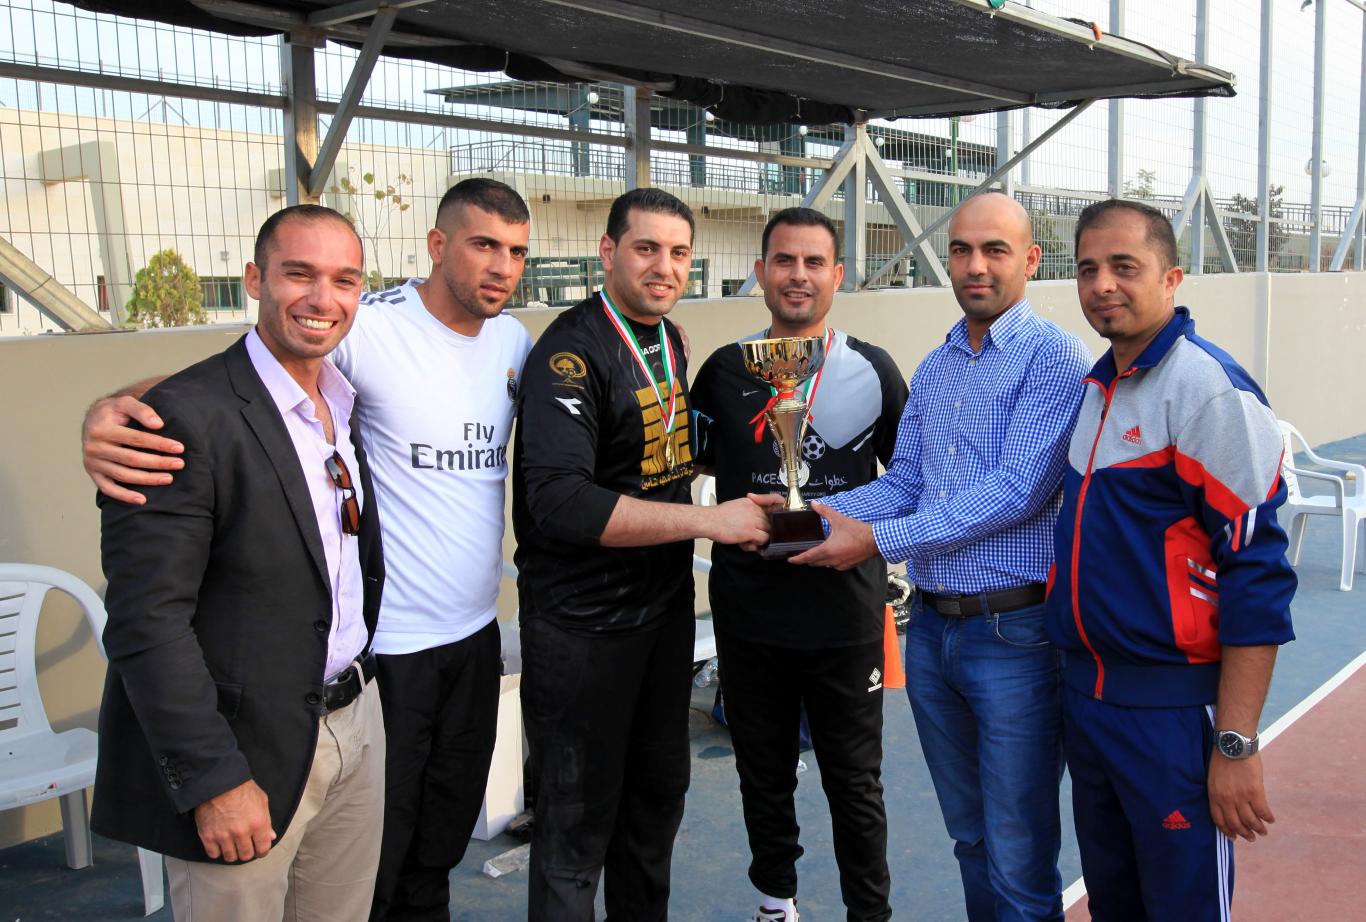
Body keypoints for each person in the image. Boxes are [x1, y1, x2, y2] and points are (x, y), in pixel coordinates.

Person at [82, 179, 535, 921]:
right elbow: (223, 387)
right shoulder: (368, 331)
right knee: (367, 869)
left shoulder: (503, 346)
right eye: (484, 244)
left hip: (449, 649)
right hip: (379, 658)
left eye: (517, 252)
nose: (501, 266)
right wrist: (112, 411)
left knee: (429, 851)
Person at [793, 191, 1092, 922]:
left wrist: (875, 540)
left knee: (1019, 856)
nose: (975, 265)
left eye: (995, 250)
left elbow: (1018, 492)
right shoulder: (938, 365)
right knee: (970, 840)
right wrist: (812, 515)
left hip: (1013, 639)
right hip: (932, 634)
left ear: (1030, 259)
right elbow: (907, 484)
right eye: (961, 250)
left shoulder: (1054, 359)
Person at [93, 205, 386, 922]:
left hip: (354, 723)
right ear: (256, 279)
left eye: (344, 279)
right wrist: (212, 779)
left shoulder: (342, 403)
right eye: (299, 274)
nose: (323, 299)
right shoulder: (180, 419)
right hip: (243, 751)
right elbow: (145, 620)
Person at [512, 187, 772, 921]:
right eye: (646, 248)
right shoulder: (569, 353)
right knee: (575, 828)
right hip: (582, 629)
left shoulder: (672, 339)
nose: (664, 266)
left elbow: (666, 452)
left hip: (661, 620)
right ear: (609, 253)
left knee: (655, 807)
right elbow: (560, 504)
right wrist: (707, 523)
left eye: (679, 252)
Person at [1045, 199, 1296, 921]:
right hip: (1089, 705)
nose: (1103, 285)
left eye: (1126, 267)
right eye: (1089, 269)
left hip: (1173, 714)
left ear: (1172, 277)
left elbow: (1258, 573)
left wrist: (1236, 743)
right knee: (1114, 905)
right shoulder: (1097, 387)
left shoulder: (1210, 392)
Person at [689, 207, 906, 922]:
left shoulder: (871, 370)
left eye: (815, 262)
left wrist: (864, 526)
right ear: (761, 272)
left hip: (843, 613)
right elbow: (691, 467)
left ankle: (868, 914)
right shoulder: (723, 371)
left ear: (838, 275)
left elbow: (911, 480)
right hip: (751, 615)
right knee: (764, 773)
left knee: (854, 782)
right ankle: (774, 903)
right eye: (785, 260)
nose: (799, 276)